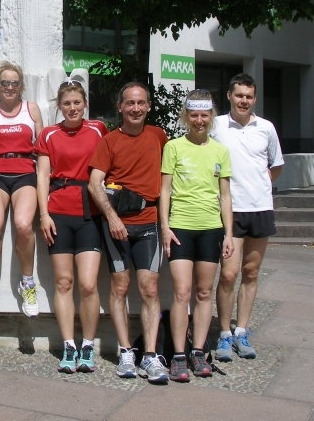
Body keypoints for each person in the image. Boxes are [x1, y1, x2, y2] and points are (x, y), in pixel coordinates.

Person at [88, 82, 169, 383]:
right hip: (117, 224)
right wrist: (111, 218)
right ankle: (125, 352)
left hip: (149, 222)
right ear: (120, 107)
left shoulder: (159, 136)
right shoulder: (109, 141)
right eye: (130, 103)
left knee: (149, 288)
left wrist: (166, 223)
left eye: (141, 103)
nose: (135, 108)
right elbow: (94, 183)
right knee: (120, 287)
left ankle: (150, 356)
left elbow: (169, 178)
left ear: (148, 106)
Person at [160, 89, 235, 381]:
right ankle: (179, 354)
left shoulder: (220, 151)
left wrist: (229, 233)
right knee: (181, 292)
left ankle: (199, 351)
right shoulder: (174, 147)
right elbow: (164, 190)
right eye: (194, 115)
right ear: (186, 116)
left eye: (204, 115)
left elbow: (225, 196)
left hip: (211, 228)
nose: (199, 120)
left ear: (211, 116)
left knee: (204, 293)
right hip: (180, 227)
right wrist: (165, 226)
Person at [36, 80, 108, 373]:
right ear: (59, 106)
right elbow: (42, 176)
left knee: (88, 284)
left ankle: (88, 345)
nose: (72, 108)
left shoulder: (98, 129)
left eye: (77, 102)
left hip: (90, 211)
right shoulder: (49, 134)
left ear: (85, 104)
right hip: (59, 211)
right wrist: (43, 214)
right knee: (64, 282)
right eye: (67, 103)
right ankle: (69, 346)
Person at [211, 73, 283, 361]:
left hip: (260, 208)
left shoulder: (266, 128)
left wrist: (259, 182)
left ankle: (241, 331)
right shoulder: (216, 126)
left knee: (251, 273)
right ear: (229, 96)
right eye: (239, 95)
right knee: (228, 274)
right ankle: (224, 334)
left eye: (249, 96)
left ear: (254, 99)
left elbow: (275, 166)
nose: (244, 100)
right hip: (230, 210)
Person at [0, 62, 44, 317]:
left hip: (25, 171)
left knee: (24, 225)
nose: (9, 87)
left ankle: (27, 283)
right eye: (4, 82)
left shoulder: (31, 109)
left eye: (14, 82)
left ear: (21, 86)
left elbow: (43, 145)